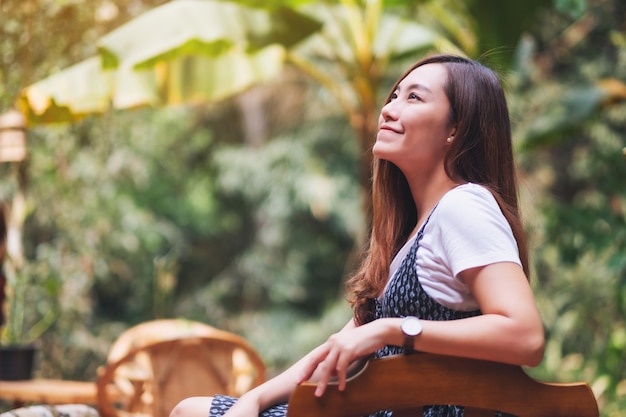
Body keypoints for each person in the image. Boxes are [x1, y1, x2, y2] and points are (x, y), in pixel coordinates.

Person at [170, 53, 545, 417]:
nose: (389, 107)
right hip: (381, 408)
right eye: (394, 95)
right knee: (193, 410)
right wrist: (253, 400)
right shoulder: (412, 234)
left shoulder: (464, 205)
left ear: (455, 130)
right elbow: (337, 348)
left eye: (413, 97)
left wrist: (390, 330)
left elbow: (524, 336)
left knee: (191, 412)